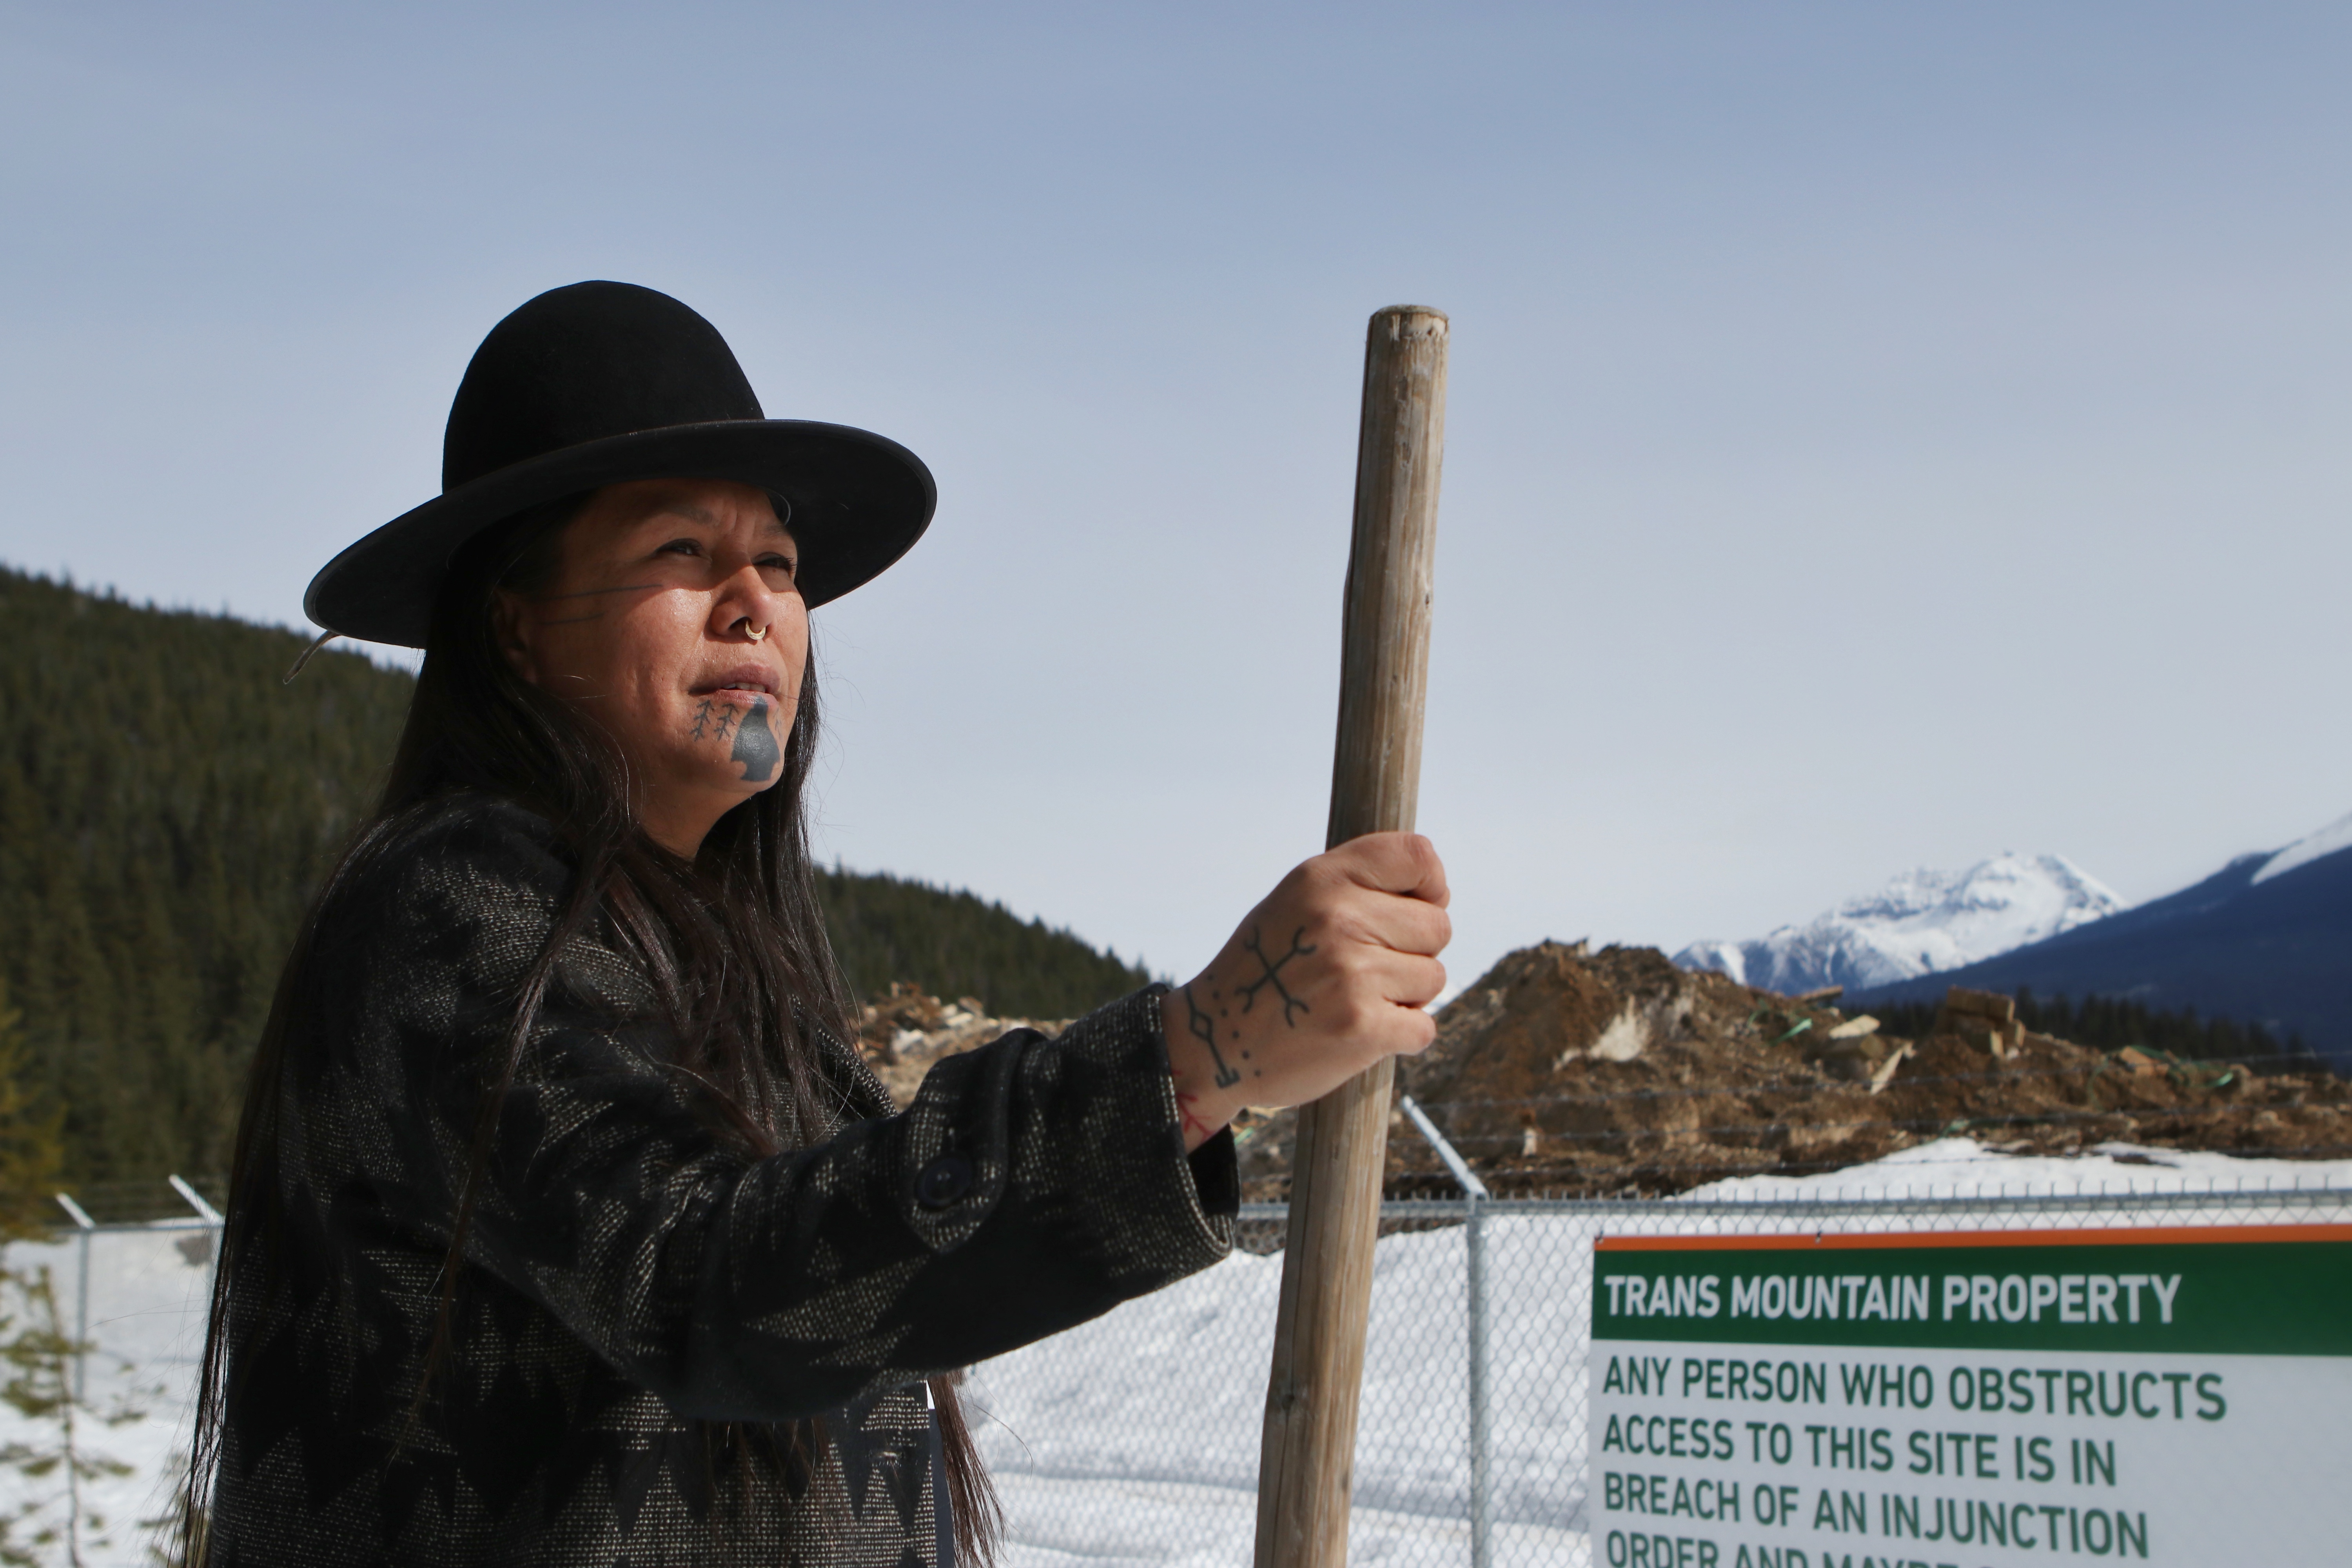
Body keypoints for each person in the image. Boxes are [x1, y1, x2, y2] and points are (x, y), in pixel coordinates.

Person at [186, 281, 1451, 1568]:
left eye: (779, 565)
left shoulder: (720, 968)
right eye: (681, 551)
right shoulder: (443, 915)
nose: (754, 601)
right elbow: (703, 1276)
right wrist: (1191, 1060)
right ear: (512, 624)